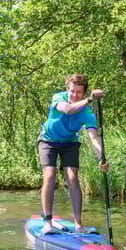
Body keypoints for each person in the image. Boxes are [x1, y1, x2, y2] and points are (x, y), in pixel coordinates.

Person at [38, 74, 109, 235]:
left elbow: (93, 137)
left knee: (72, 177)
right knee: (49, 176)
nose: (74, 95)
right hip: (48, 140)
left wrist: (101, 158)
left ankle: (78, 224)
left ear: (83, 93)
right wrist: (90, 99)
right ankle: (47, 222)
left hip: (70, 143)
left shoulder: (87, 113)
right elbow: (68, 110)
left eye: (78, 92)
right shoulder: (58, 98)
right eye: (72, 91)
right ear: (67, 89)